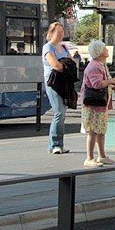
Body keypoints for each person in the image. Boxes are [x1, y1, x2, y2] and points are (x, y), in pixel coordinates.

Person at [81, 40, 115, 167]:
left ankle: (102, 155)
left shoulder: (101, 65)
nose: (107, 50)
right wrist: (111, 81)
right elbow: (97, 84)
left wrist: (111, 85)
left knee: (101, 130)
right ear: (99, 52)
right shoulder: (94, 66)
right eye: (104, 49)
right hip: (94, 104)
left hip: (100, 104)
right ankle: (89, 157)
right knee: (93, 130)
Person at [42, 22, 73, 154]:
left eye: (62, 32)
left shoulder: (64, 48)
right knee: (59, 112)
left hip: (64, 82)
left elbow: (72, 62)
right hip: (53, 82)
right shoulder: (48, 47)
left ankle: (58, 144)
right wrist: (66, 65)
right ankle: (55, 144)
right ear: (52, 32)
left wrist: (65, 65)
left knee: (62, 113)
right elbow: (55, 65)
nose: (61, 35)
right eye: (59, 32)